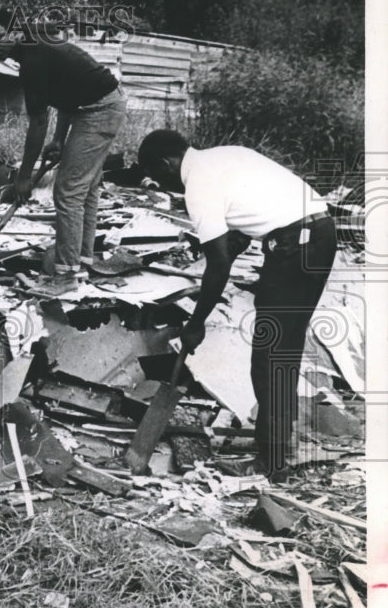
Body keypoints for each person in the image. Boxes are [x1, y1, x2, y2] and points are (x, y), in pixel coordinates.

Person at [137, 130, 336, 479]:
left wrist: (195, 324)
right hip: (320, 233)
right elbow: (246, 223)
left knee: (268, 355)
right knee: (284, 349)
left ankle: (271, 462)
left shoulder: (198, 185)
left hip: (293, 246)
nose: (167, 185)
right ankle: (279, 447)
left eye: (160, 176)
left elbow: (218, 265)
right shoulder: (225, 155)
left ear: (166, 164)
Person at [0, 28, 127, 291]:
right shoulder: (38, 48)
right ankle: (83, 260)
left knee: (68, 191)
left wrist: (24, 178)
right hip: (97, 105)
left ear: (18, 32)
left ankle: (65, 277)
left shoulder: (32, 62)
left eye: (0, 35)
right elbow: (68, 97)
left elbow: (38, 123)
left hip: (99, 109)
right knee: (85, 190)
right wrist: (59, 140)